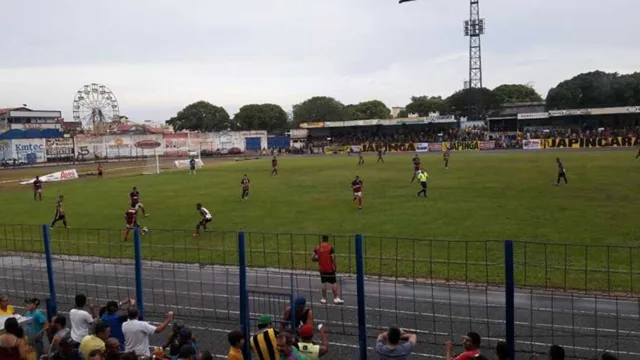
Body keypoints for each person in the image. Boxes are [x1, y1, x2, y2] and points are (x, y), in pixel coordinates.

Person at [312, 235, 343, 305]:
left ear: (322, 239)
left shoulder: (318, 247)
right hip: (330, 268)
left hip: (322, 269)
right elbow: (333, 258)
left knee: (323, 282)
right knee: (334, 282)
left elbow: (312, 258)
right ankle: (336, 298)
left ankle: (323, 299)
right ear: (327, 239)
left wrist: (318, 259)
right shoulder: (330, 247)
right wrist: (335, 267)